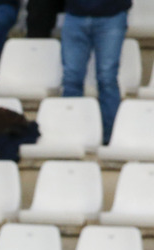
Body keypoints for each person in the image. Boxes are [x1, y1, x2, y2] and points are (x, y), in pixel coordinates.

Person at [61, 0, 131, 145]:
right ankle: (71, 135)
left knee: (107, 78)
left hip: (112, 15)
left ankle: (110, 138)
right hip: (75, 15)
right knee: (71, 79)